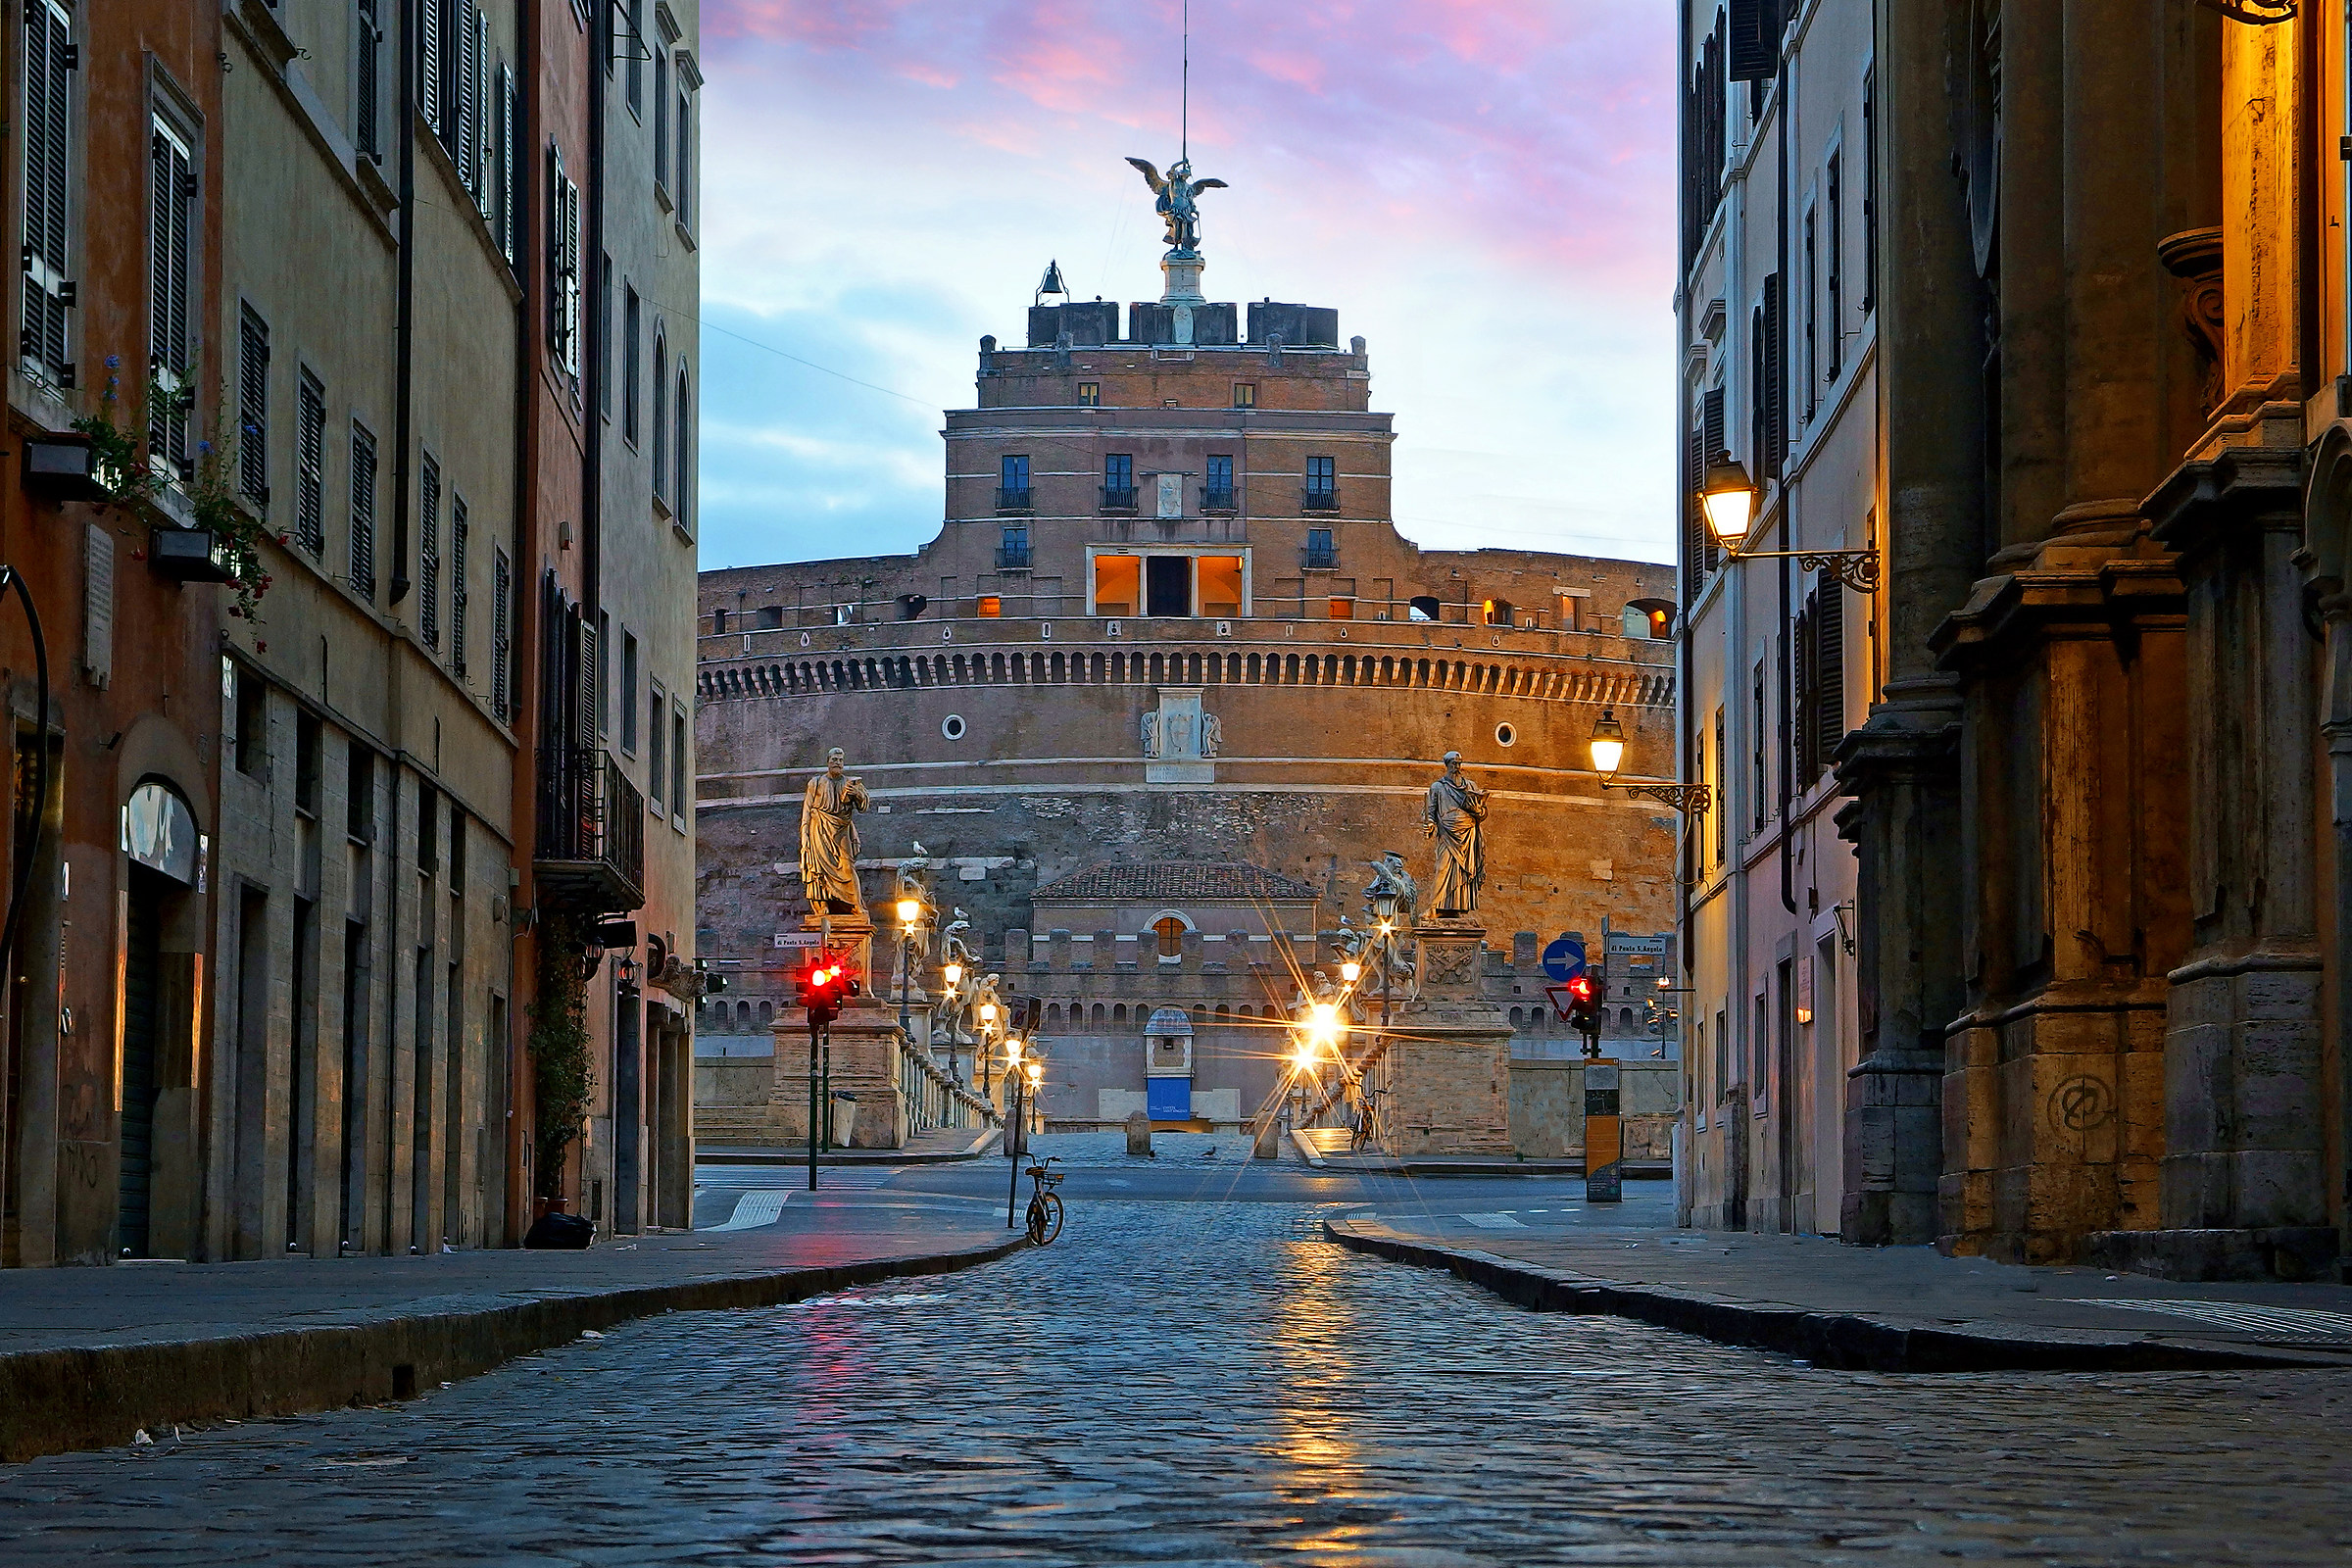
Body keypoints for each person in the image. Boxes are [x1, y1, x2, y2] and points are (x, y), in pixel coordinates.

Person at [1422, 751, 1488, 916]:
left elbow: (1482, 813)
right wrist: (1430, 824)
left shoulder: (1471, 786)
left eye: (1459, 763)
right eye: (1454, 763)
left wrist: (1478, 810)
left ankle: (1456, 908)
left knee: (1462, 873)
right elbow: (1431, 811)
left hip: (1467, 834)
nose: (1457, 767)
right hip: (1447, 833)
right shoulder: (1438, 787)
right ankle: (1434, 907)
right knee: (1442, 868)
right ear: (1447, 765)